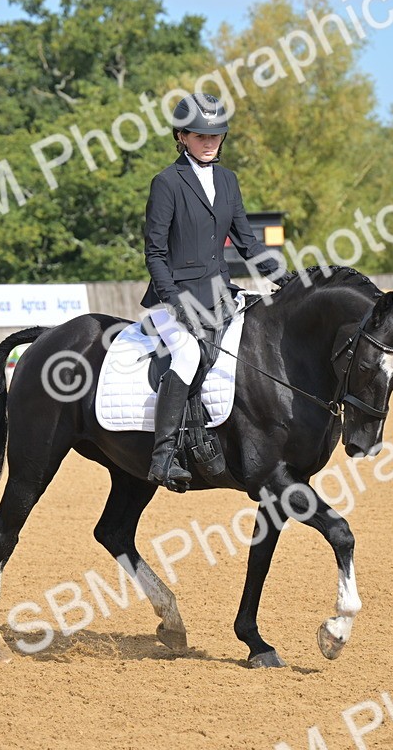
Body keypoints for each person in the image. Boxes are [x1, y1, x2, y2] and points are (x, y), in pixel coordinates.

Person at [140, 92, 285, 491]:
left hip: (221, 295)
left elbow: (247, 244)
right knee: (186, 354)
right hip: (172, 300)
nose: (209, 143)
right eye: (200, 136)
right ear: (181, 137)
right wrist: (174, 301)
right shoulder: (167, 183)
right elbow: (154, 252)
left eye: (216, 135)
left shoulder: (227, 179)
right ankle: (163, 456)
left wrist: (285, 276)